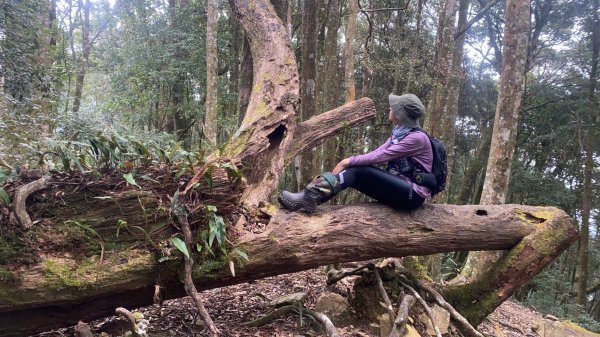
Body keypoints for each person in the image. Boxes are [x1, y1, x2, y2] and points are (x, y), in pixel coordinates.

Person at [278, 93, 433, 213]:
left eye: (393, 107)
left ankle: (309, 195)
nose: (389, 109)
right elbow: (380, 151)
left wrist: (348, 160)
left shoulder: (417, 138)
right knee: (352, 171)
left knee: (357, 170)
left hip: (412, 195)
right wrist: (350, 163)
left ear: (400, 114)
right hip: (401, 186)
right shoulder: (400, 132)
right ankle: (310, 199)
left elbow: (382, 156)